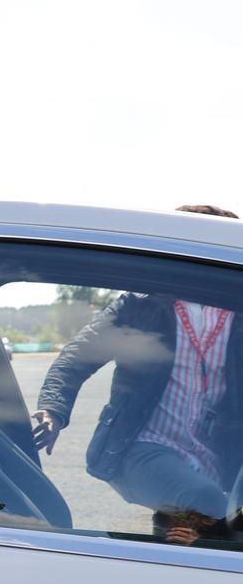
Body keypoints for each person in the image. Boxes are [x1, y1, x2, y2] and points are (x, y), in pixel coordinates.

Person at [34, 205, 243, 523]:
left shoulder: (236, 313)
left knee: (204, 519)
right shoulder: (140, 308)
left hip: (217, 453)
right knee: (205, 501)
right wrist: (53, 409)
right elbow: (76, 357)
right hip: (141, 446)